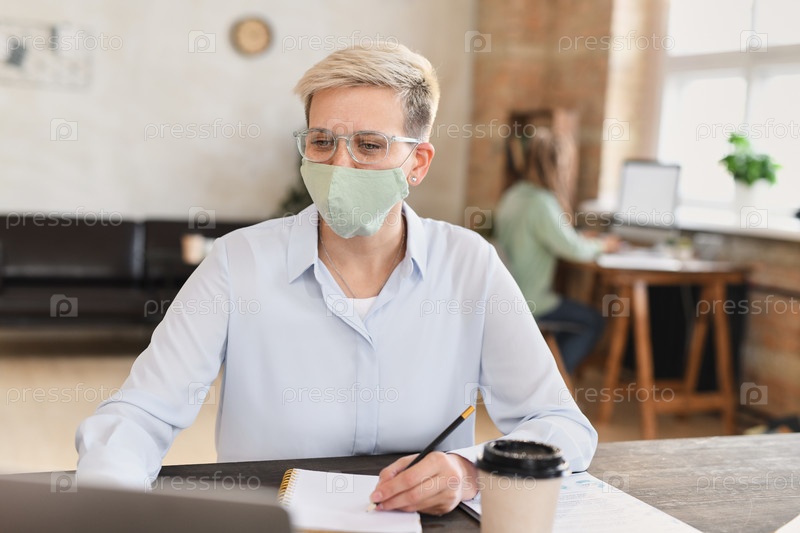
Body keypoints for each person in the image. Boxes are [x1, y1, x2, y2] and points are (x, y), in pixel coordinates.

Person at [76, 42, 597, 515]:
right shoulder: (237, 262)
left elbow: (563, 425)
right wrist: (106, 508)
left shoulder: (469, 265)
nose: (339, 165)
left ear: (417, 163)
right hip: (269, 522)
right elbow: (141, 414)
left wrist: (469, 471)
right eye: (322, 141)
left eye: (369, 145)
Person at [495, 128, 619, 374]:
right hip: (533, 301)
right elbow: (573, 249)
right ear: (558, 166)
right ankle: (552, 378)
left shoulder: (512, 195)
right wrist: (604, 245)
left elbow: (553, 237)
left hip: (509, 296)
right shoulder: (542, 202)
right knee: (593, 321)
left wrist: (577, 237)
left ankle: (539, 372)